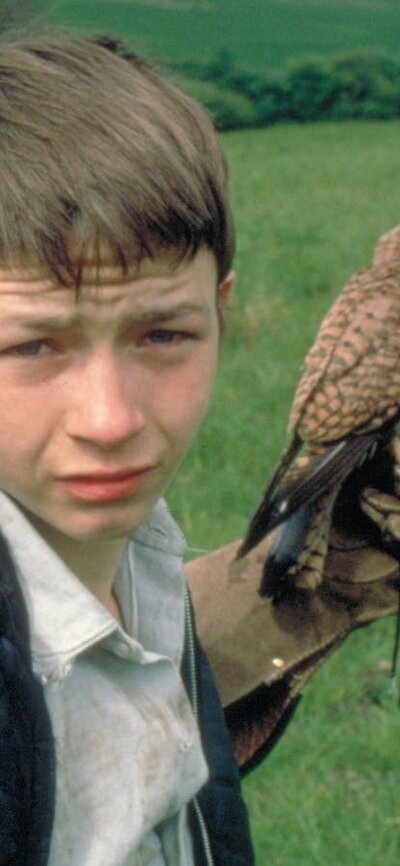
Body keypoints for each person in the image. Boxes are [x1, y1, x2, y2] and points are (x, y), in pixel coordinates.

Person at [0, 31, 255, 866]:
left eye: (163, 334)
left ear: (221, 309)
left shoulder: (142, 550)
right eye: (33, 347)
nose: (110, 421)